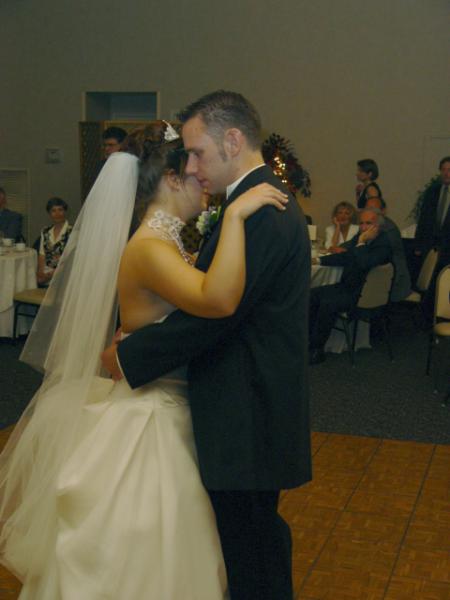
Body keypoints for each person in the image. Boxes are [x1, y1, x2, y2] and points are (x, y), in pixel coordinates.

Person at [0, 121, 288, 599]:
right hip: (151, 418)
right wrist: (236, 217)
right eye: (194, 171)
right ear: (171, 179)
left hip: (173, 404)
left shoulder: (166, 243)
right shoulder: (151, 248)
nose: (204, 180)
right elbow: (217, 300)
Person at [102, 90, 312, 600]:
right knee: (248, 550)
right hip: (243, 410)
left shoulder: (259, 210)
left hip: (247, 414)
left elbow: (219, 314)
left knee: (254, 558)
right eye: (187, 158)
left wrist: (128, 354)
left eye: (197, 152)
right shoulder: (254, 203)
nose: (192, 165)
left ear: (232, 141)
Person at [309, 207, 392, 364]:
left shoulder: (384, 243)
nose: (364, 227)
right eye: (361, 223)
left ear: (378, 226)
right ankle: (308, 342)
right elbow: (346, 256)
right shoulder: (361, 238)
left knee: (327, 303)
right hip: (348, 287)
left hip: (363, 294)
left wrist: (360, 243)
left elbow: (363, 262)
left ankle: (317, 349)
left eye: (368, 223)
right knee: (311, 294)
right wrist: (318, 260)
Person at [413, 156, 450, 316]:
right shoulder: (432, 191)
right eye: (444, 170)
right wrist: (418, 245)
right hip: (430, 245)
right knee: (427, 283)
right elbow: (423, 219)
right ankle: (426, 317)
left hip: (448, 246)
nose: (447, 173)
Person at [365, 196, 411, 301]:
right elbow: (354, 242)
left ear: (383, 211)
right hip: (378, 276)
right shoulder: (369, 225)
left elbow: (371, 258)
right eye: (368, 209)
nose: (371, 213)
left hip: (393, 282)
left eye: (375, 210)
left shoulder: (388, 231)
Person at [37, 197, 72, 287]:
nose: (57, 214)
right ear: (49, 213)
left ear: (65, 212)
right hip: (46, 275)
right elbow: (42, 255)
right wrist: (41, 272)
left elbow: (70, 260)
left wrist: (51, 275)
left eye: (60, 210)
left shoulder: (73, 232)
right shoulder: (45, 231)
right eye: (53, 211)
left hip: (64, 275)